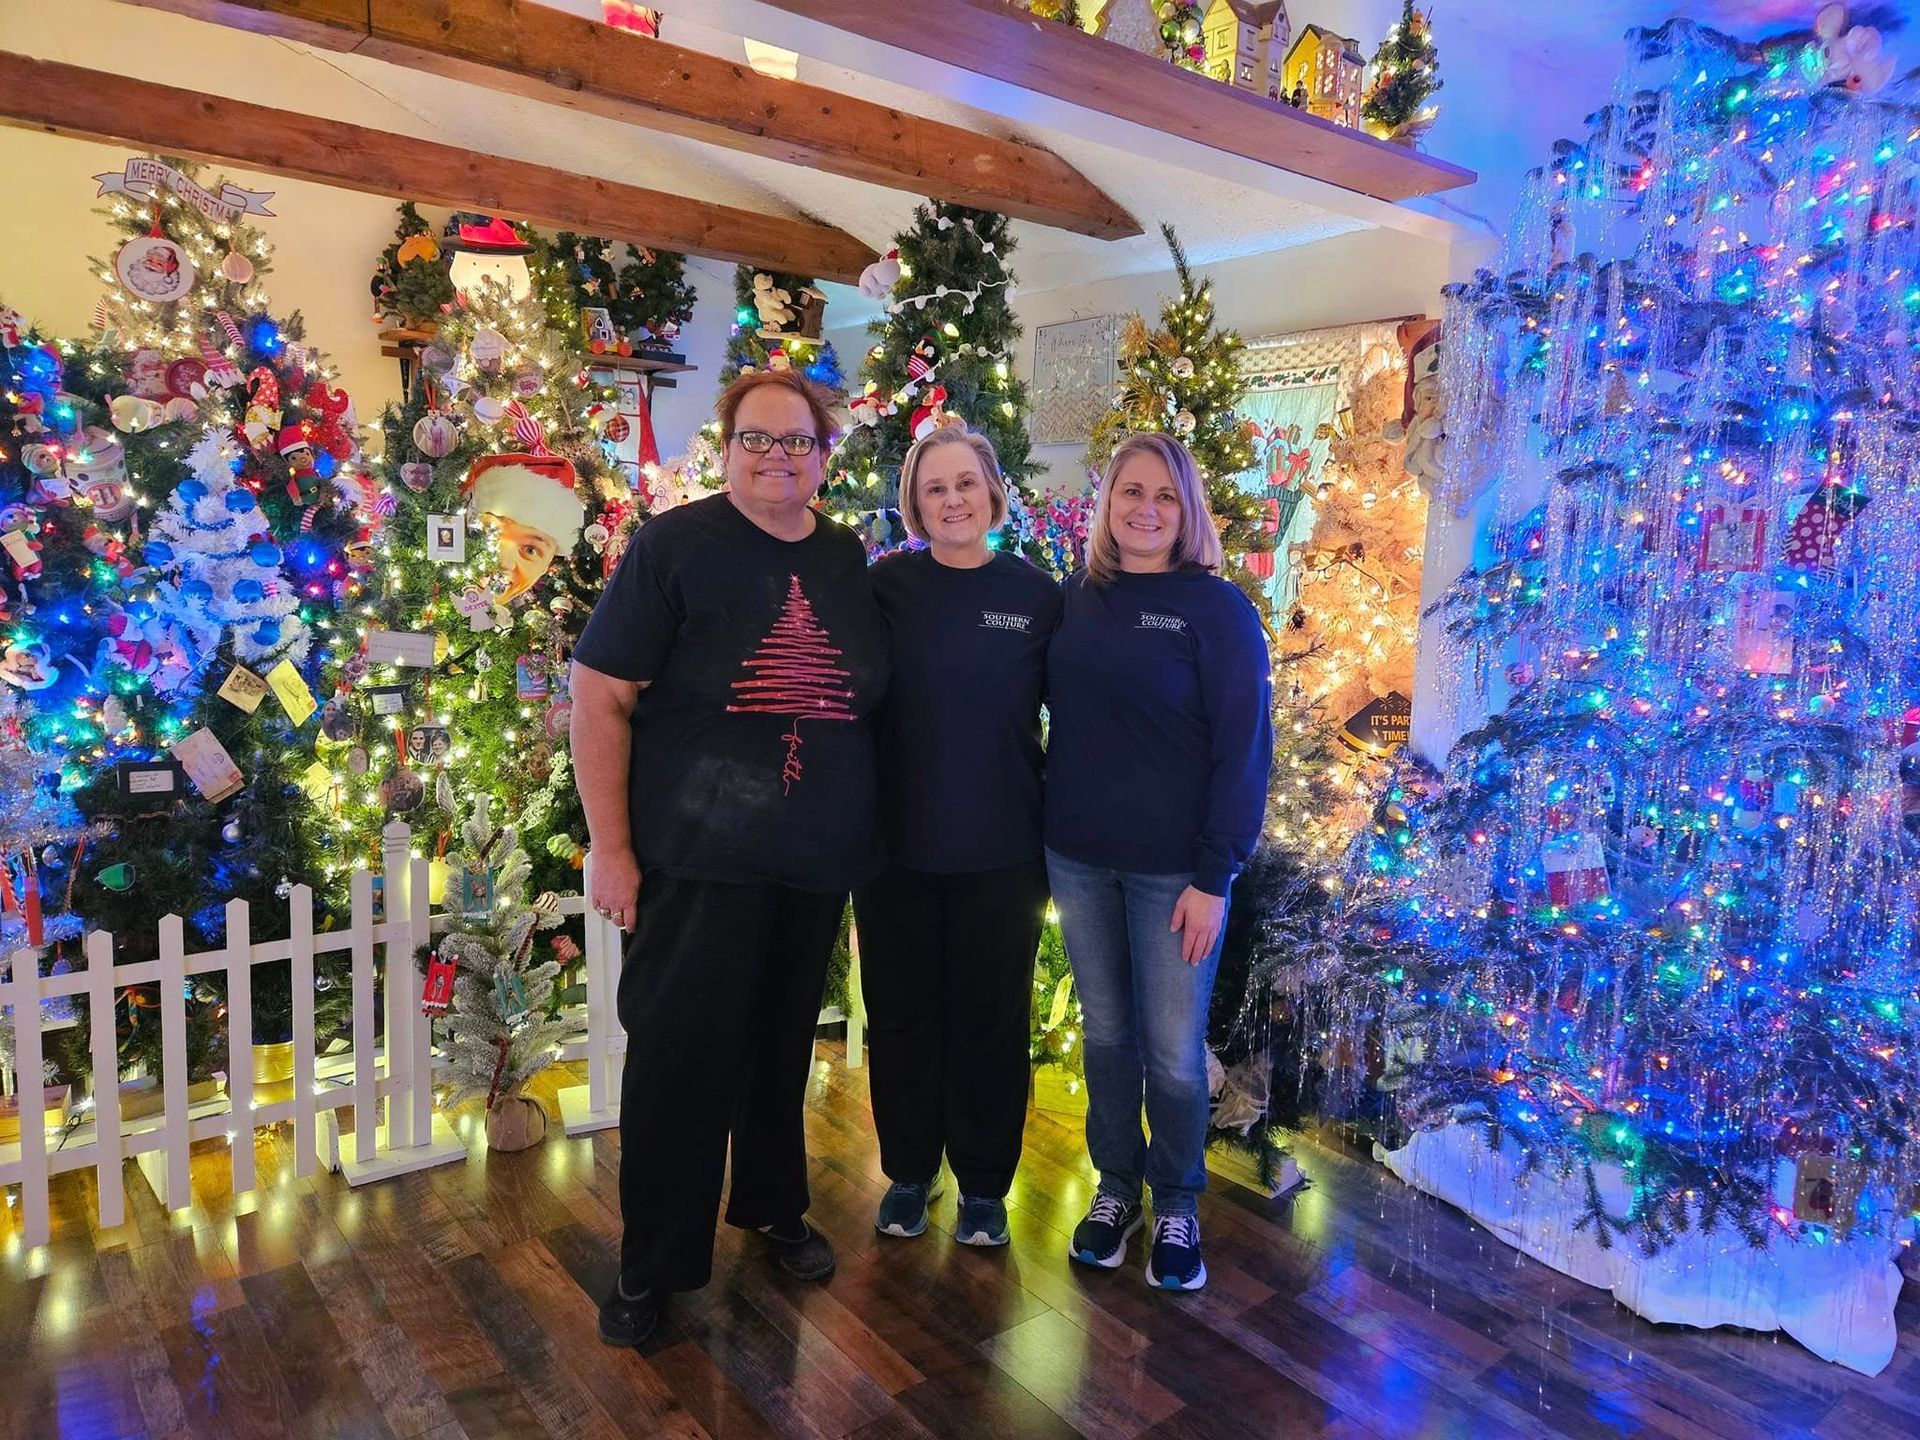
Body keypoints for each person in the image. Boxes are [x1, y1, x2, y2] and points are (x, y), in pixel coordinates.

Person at [570, 369, 888, 1347]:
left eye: (796, 441)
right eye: (758, 438)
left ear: (824, 455)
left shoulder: (845, 557)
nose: (776, 457)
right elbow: (599, 696)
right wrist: (612, 850)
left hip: (811, 859)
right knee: (678, 1060)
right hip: (695, 858)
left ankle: (769, 1203)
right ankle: (652, 1265)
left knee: (780, 1045)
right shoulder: (674, 546)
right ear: (728, 445)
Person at [1044, 433, 1273, 1292]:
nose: (1144, 510)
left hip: (1177, 874)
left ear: (1188, 513)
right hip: (1076, 860)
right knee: (1106, 1038)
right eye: (1130, 492)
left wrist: (1216, 876)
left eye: (1164, 497)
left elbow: (1245, 751)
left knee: (1173, 1052)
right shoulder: (1078, 599)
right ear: (1106, 503)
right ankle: (1118, 1191)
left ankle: (1177, 1200)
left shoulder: (1217, 611)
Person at [852, 426, 1061, 1248]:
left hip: (1005, 851)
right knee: (900, 1016)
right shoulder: (885, 589)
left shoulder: (1038, 598)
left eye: (965, 484)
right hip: (895, 847)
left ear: (992, 492)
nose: (952, 501)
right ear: (914, 504)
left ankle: (983, 1185)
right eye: (935, 488)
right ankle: (908, 1173)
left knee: (991, 1022)